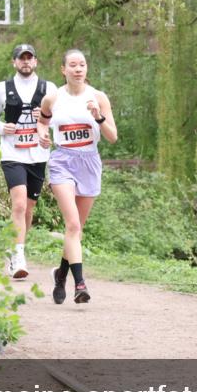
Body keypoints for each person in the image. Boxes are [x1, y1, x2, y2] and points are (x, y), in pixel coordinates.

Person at [36, 49, 117, 304]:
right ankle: (79, 284)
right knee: (72, 225)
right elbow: (42, 120)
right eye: (73, 65)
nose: (78, 69)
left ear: (86, 69)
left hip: (89, 161)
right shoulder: (53, 98)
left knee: (76, 230)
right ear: (63, 69)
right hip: (62, 161)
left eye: (82, 64)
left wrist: (98, 117)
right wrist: (41, 134)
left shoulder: (98, 97)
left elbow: (113, 136)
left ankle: (61, 274)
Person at [0, 44, 58, 279]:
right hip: (12, 154)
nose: (25, 62)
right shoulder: (1, 88)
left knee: (28, 210)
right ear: (14, 62)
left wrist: (47, 122)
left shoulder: (49, 89)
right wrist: (1, 127)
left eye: (30, 58)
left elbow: (60, 119)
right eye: (21, 59)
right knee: (18, 205)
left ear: (36, 62)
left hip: (37, 155)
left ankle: (15, 247)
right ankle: (19, 257)